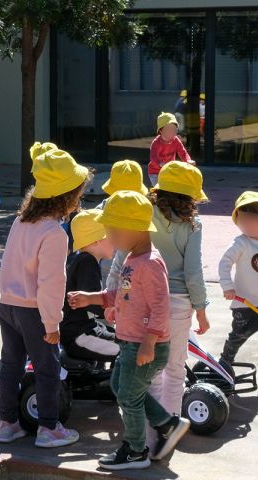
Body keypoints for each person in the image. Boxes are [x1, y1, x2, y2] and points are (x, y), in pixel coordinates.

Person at [67, 190, 190, 470]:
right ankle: (167, 423)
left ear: (133, 228)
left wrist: (149, 341)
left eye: (112, 231)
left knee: (128, 397)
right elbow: (120, 294)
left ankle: (136, 451)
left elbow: (161, 307)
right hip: (129, 343)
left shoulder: (150, 264)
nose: (109, 238)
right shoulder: (132, 259)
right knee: (119, 387)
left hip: (145, 345)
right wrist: (91, 298)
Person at [108, 161, 209, 452]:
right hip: (177, 304)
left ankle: (146, 439)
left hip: (137, 301)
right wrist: (201, 308)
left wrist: (113, 298)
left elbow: (120, 259)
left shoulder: (143, 212)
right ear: (191, 196)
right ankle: (168, 438)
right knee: (175, 370)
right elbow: (193, 272)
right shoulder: (193, 224)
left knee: (145, 374)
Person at [0, 148, 89, 448]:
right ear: (66, 197)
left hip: (8, 305)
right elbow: (51, 283)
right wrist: (52, 323)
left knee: (10, 365)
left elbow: (8, 264)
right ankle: (48, 428)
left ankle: (6, 424)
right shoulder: (55, 233)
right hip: (34, 312)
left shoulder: (20, 221)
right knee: (47, 369)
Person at [217, 191, 258, 390]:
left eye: (249, 219)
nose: (244, 224)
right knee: (237, 337)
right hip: (245, 303)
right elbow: (224, 263)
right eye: (241, 219)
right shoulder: (241, 243)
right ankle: (223, 365)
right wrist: (227, 286)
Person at [61, 210, 119, 364]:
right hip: (79, 335)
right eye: (111, 237)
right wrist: (116, 310)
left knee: (125, 340)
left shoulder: (84, 260)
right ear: (95, 241)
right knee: (129, 353)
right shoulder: (87, 263)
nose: (115, 242)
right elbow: (92, 303)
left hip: (87, 328)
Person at [148, 112, 194, 186]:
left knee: (172, 188)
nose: (172, 132)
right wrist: (161, 163)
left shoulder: (176, 140)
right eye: (169, 129)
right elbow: (153, 157)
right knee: (159, 189)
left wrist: (187, 160)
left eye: (174, 129)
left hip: (169, 171)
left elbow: (183, 152)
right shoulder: (156, 143)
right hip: (155, 172)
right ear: (160, 131)